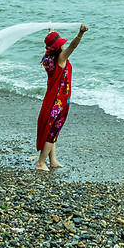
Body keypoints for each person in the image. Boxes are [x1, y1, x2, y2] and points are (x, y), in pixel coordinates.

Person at [35, 23, 88, 171]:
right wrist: (80, 34)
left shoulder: (48, 57)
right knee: (52, 132)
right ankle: (40, 163)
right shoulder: (60, 59)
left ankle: (52, 160)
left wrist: (51, 32)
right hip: (59, 101)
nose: (63, 45)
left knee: (51, 129)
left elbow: (53, 43)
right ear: (58, 47)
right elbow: (72, 47)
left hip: (51, 99)